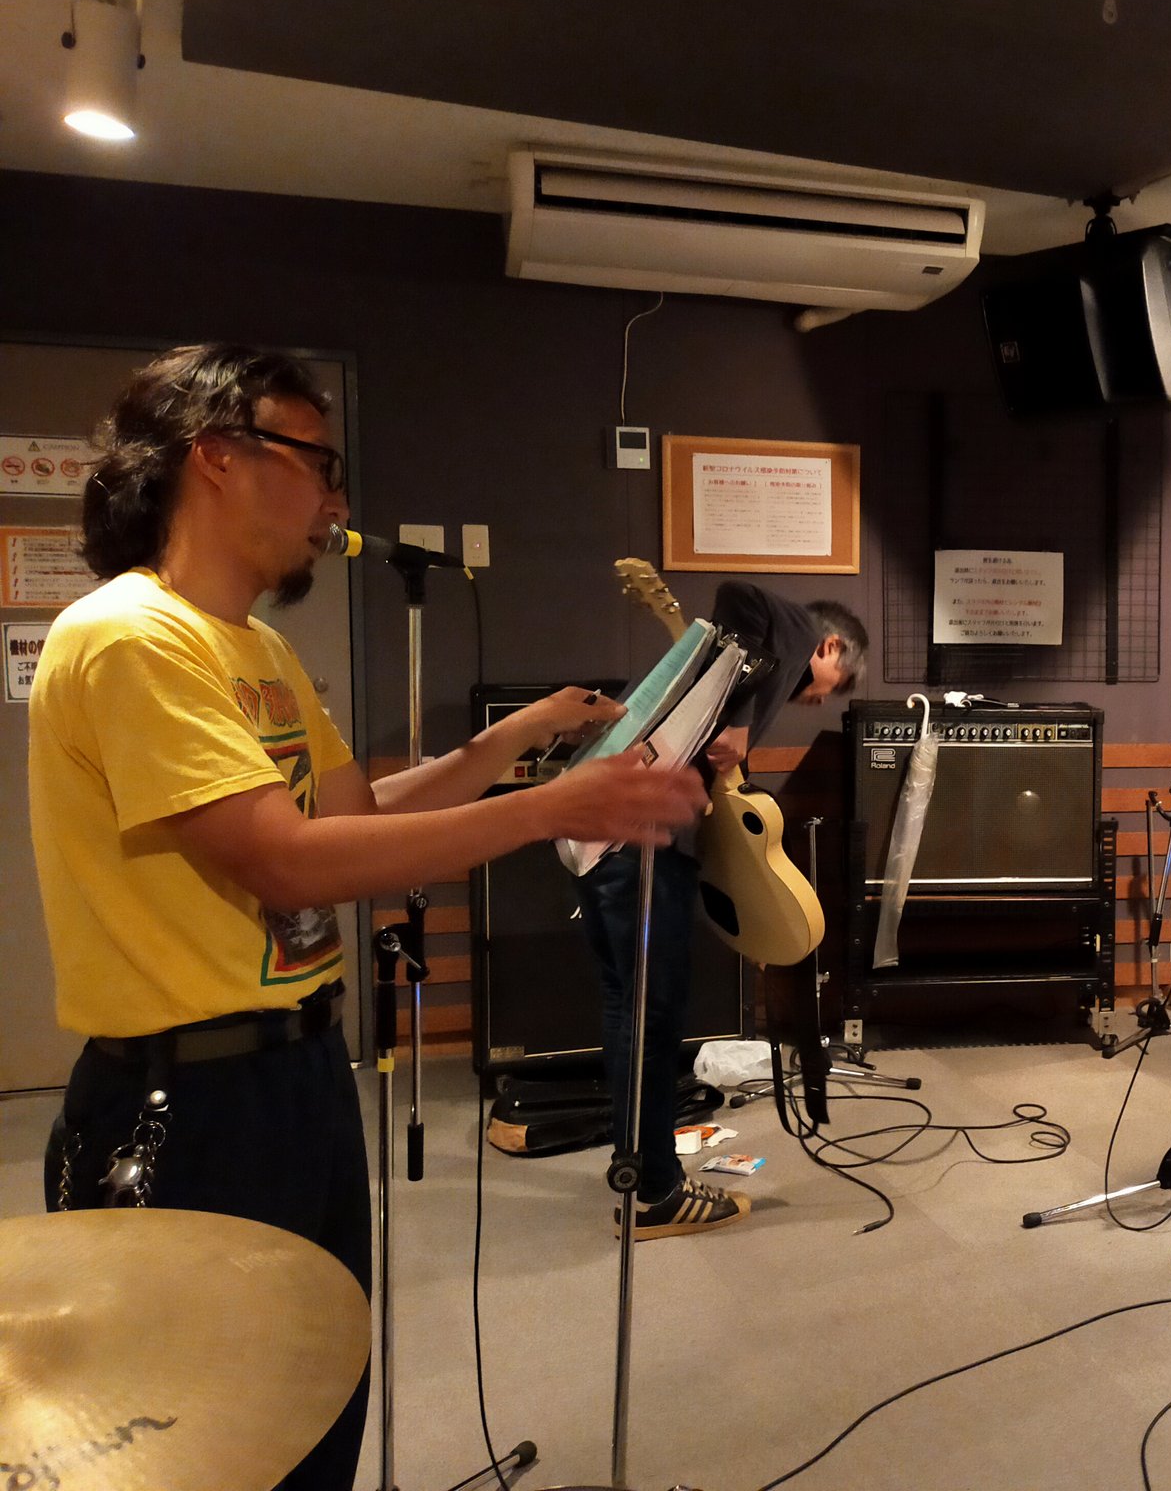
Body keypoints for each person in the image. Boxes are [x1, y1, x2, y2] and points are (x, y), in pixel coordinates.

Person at [27, 343, 706, 1491]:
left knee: (309, 1400)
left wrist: (507, 745)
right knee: (205, 1435)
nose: (335, 503)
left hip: (297, 1072)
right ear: (216, 457)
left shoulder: (259, 649)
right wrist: (546, 809)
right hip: (184, 1100)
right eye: (317, 462)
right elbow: (288, 863)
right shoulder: (131, 636)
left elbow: (348, 814)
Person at [576, 580, 866, 1240]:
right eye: (836, 683)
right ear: (829, 647)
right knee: (653, 1020)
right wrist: (739, 719)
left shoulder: (743, 670)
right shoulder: (794, 635)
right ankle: (656, 1195)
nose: (820, 698)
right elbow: (740, 595)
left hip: (601, 835)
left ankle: (636, 1166)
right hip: (640, 850)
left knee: (628, 1012)